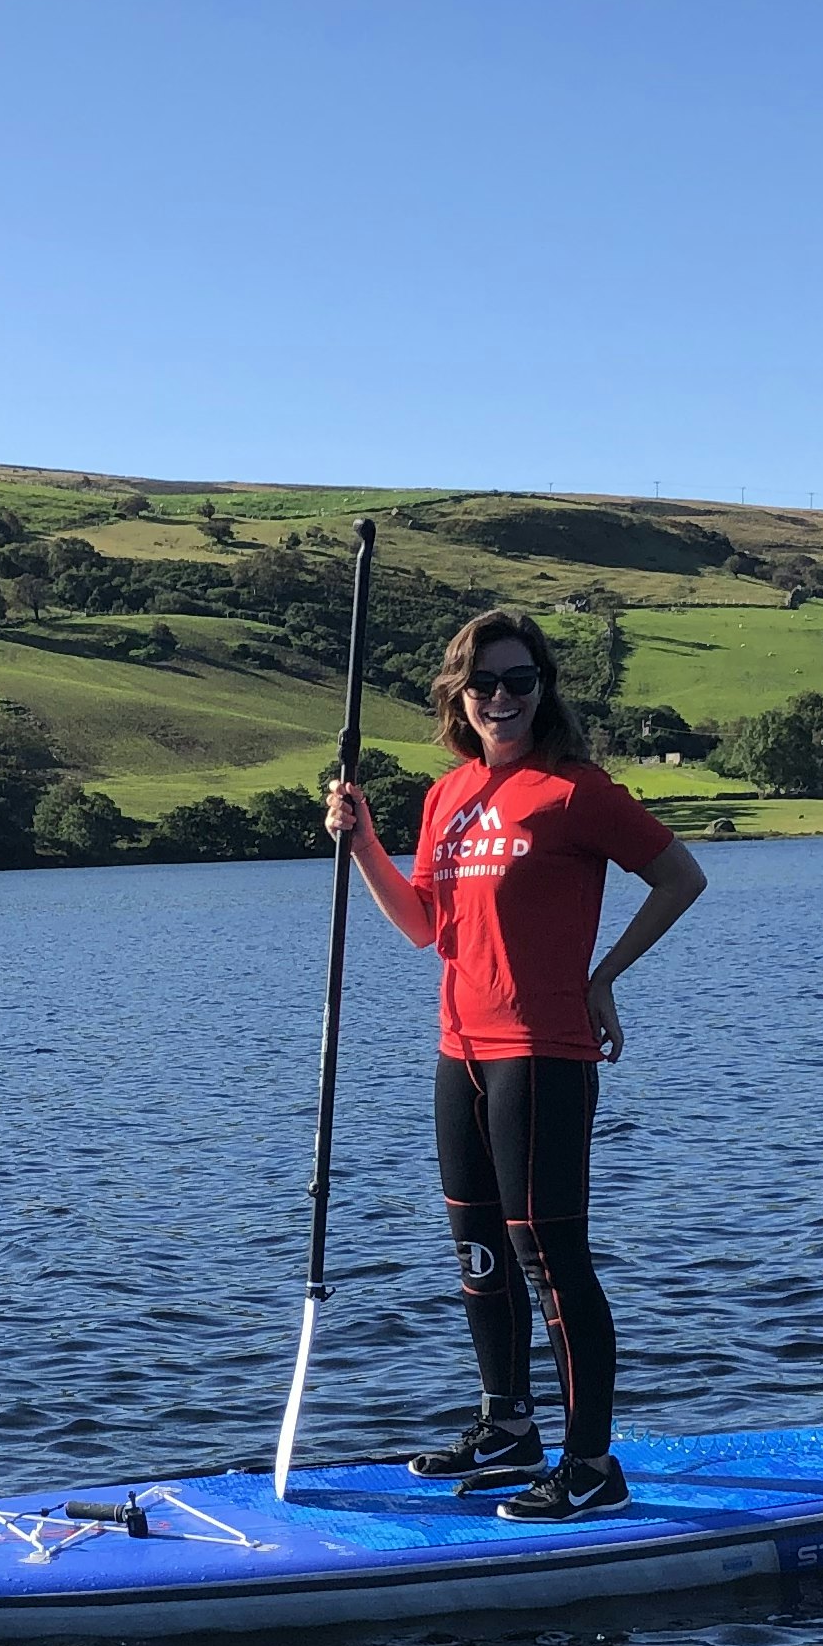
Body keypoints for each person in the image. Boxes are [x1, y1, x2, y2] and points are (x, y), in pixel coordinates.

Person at [323, 609, 709, 1520]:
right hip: (458, 1048)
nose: (501, 698)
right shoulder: (448, 795)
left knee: (549, 1256)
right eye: (485, 683)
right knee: (478, 1250)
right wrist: (363, 839)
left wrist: (603, 975)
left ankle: (590, 1464)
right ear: (460, 694)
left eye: (520, 682)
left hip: (542, 1051)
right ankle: (509, 1426)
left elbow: (681, 876)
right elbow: (423, 926)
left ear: (544, 690)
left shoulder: (574, 791)